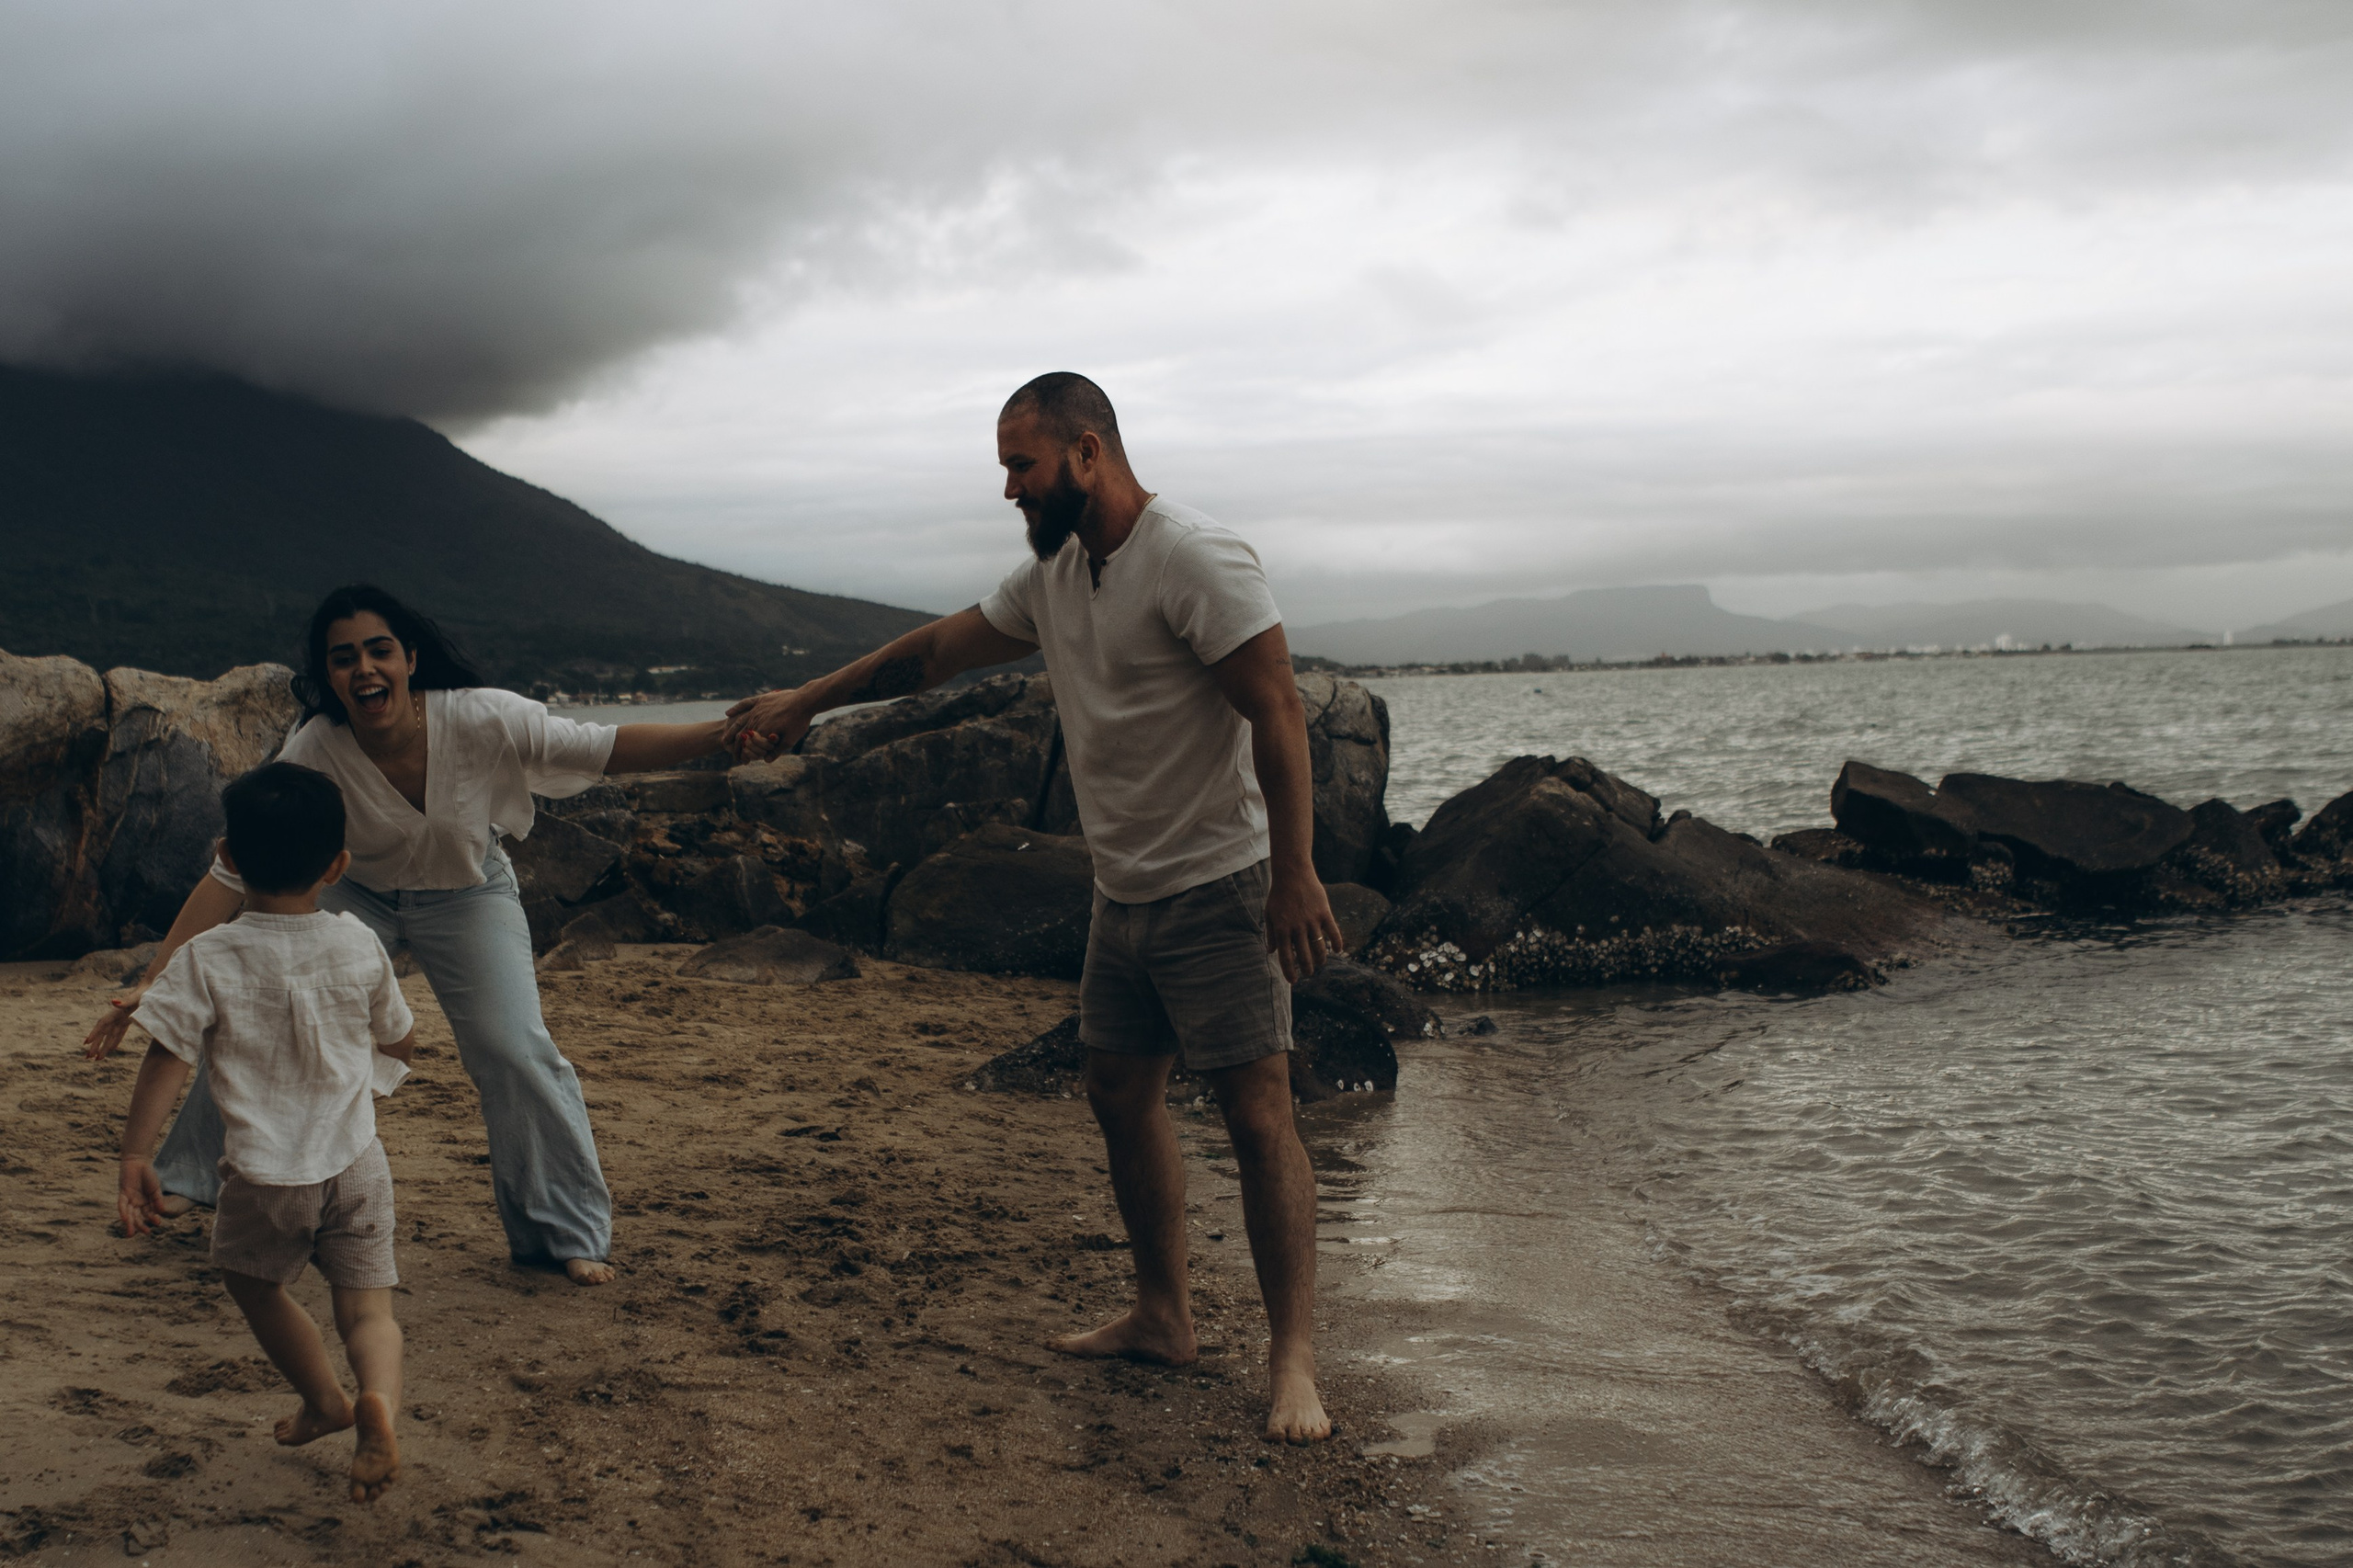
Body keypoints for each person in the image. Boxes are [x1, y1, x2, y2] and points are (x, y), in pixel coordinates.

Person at [726, 372, 1346, 1442]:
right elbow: (929, 653)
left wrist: (1295, 871)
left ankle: (1293, 1359)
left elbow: (1278, 705)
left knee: (1257, 1115)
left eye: (1022, 464)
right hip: (1124, 889)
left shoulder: (1193, 555)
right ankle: (1164, 1314)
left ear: (1088, 454)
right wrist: (807, 701)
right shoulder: (1054, 571)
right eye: (1006, 466)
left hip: (1219, 882)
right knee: (1117, 1090)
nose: (1009, 486)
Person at [86, 584, 732, 1286]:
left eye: (378, 650)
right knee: (267, 1010)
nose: (363, 668)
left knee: (512, 1048)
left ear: (410, 659)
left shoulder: (482, 716)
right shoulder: (315, 747)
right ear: (328, 676)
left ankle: (560, 1232)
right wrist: (153, 978)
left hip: (468, 892)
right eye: (343, 658)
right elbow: (231, 871)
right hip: (352, 890)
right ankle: (191, 1178)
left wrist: (725, 735)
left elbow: (609, 748)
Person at [118, 762, 415, 1504]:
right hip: (358, 1161)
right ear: (339, 866)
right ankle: (376, 1398)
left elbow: (167, 1060)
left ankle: (324, 1401)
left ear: (230, 855)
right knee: (369, 1308)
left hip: (266, 1174)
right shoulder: (357, 942)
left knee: (252, 1285)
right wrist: (374, 1080)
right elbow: (400, 1040)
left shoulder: (209, 957)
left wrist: (134, 1157)